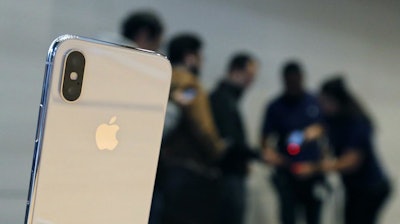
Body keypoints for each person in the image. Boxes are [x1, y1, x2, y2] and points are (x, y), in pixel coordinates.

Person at [159, 33, 226, 224]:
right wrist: (217, 150)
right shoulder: (189, 85)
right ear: (190, 57)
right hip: (188, 169)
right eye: (200, 56)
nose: (202, 61)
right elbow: (202, 125)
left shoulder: (164, 80)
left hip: (167, 165)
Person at [318, 76, 391, 224]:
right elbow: (316, 130)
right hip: (354, 187)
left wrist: (317, 167)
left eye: (325, 101)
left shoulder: (356, 122)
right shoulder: (332, 118)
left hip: (371, 188)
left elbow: (351, 162)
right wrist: (296, 141)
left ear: (336, 100)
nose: (321, 106)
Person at [260, 61, 324, 224]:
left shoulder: (315, 102)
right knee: (287, 217)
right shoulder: (275, 106)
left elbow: (327, 126)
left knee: (314, 218)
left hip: (312, 172)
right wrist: (271, 156)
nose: (294, 85)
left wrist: (314, 132)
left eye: (297, 81)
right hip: (287, 171)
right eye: (290, 81)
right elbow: (264, 139)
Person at [209, 53, 259, 224]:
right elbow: (230, 140)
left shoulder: (228, 99)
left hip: (231, 175)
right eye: (249, 76)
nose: (250, 82)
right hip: (227, 176)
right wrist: (259, 154)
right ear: (236, 71)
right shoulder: (222, 99)